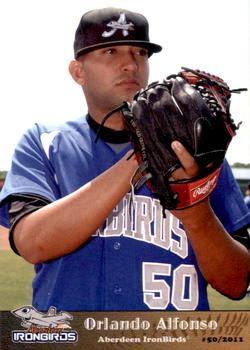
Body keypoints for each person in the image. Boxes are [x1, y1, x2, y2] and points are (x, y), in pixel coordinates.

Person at [0, 7, 250, 311]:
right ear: (78, 71)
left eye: (140, 53)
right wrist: (142, 155)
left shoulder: (195, 150)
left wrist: (197, 214)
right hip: (73, 340)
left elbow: (237, 283)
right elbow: (32, 243)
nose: (130, 64)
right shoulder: (44, 142)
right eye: (110, 51)